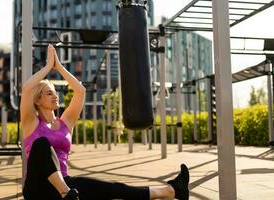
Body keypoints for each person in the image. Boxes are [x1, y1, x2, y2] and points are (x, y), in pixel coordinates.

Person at [21, 44, 190, 200]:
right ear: (37, 100)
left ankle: (173, 190)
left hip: (65, 186)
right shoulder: (31, 123)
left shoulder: (66, 122)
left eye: (55, 92)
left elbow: (80, 91)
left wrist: (59, 67)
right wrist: (48, 67)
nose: (55, 96)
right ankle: (66, 193)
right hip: (38, 189)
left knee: (115, 188)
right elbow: (27, 89)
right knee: (42, 144)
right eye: (50, 93)